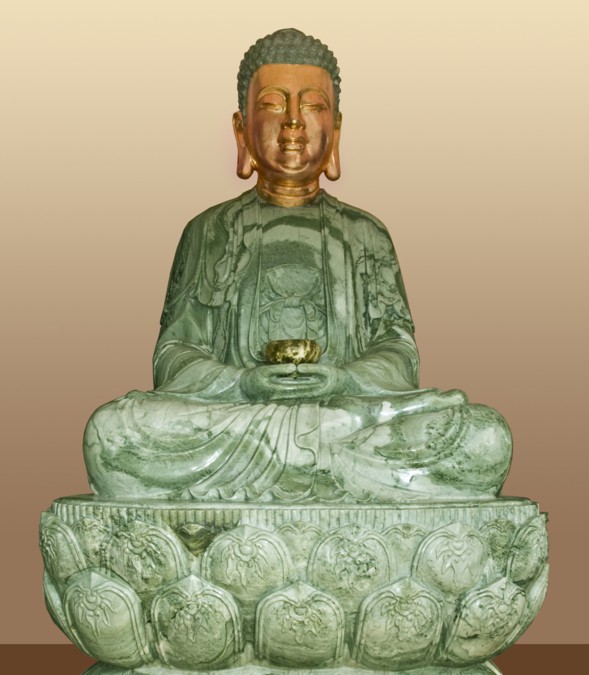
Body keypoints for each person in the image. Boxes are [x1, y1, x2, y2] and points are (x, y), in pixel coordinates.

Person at [84, 29, 511, 503]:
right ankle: (336, 476)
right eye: (272, 104)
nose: (292, 122)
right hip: (241, 425)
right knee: (112, 433)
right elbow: (173, 356)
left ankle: (289, 472)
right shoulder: (209, 231)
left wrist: (343, 380)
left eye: (312, 106)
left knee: (484, 437)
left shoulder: (365, 233)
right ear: (241, 129)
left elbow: (400, 355)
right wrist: (243, 383)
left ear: (337, 129)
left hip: (344, 420)